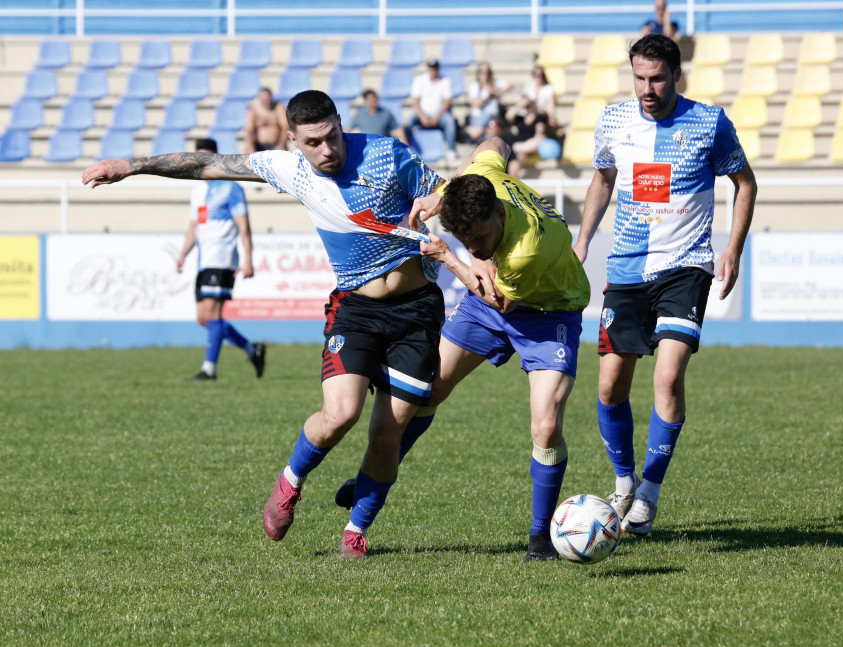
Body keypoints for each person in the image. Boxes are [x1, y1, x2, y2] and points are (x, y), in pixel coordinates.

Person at [82, 90, 445, 560]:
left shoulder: (386, 155)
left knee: (387, 433)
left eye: (333, 136)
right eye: (313, 142)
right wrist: (132, 165)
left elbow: (444, 193)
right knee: (339, 415)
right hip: (357, 309)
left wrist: (451, 220)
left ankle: (356, 531)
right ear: (293, 140)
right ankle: (290, 482)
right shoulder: (288, 169)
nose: (327, 150)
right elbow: (206, 165)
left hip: (417, 311)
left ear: (340, 122)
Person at [336, 136, 592, 561]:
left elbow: (500, 299)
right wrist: (441, 194)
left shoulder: (524, 251)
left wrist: (450, 255)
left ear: (498, 212)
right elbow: (494, 140)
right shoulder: (484, 179)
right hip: (485, 305)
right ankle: (373, 479)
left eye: (478, 239)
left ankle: (539, 539)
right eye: (463, 238)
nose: (475, 248)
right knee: (425, 391)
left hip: (548, 313)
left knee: (546, 426)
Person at [572, 34, 757, 535]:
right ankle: (624, 481)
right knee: (610, 386)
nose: (647, 88)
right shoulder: (614, 120)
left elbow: (745, 183)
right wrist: (583, 238)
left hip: (685, 266)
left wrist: (733, 248)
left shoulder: (709, 122)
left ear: (677, 75)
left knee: (668, 378)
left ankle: (649, 494)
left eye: (656, 78)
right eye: (639, 78)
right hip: (626, 269)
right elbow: (603, 179)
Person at [175, 137, 266, 382]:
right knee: (204, 318)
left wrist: (248, 259)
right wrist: (183, 254)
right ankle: (251, 349)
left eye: (207, 158)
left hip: (223, 258)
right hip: (203, 262)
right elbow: (194, 226)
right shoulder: (197, 191)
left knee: (213, 315)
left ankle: (209, 369)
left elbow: (244, 226)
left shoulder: (230, 188)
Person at [504, 66, 557, 177]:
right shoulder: (521, 118)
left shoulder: (539, 118)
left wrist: (520, 146)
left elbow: (539, 136)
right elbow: (508, 116)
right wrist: (521, 103)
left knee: (523, 147)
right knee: (519, 156)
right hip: (523, 150)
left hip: (531, 147)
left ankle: (515, 148)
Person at [407, 58, 458, 161]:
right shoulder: (420, 80)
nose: (433, 70)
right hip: (422, 114)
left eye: (435, 68)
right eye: (431, 68)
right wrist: (423, 116)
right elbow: (415, 102)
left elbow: (447, 102)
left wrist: (436, 117)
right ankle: (407, 148)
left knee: (450, 121)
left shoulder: (445, 81)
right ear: (428, 68)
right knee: (408, 123)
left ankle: (451, 149)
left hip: (439, 114)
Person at [464, 62, 511, 143]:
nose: (485, 75)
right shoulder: (475, 86)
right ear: (478, 74)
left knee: (492, 125)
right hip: (479, 117)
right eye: (482, 72)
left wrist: (498, 93)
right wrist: (487, 96)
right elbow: (475, 104)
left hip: (493, 118)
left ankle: (476, 137)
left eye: (487, 72)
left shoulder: (494, 84)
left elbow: (511, 85)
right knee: (491, 126)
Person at [244, 87, 288, 152]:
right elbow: (249, 130)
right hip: (258, 146)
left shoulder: (278, 108)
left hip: (276, 145)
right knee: (247, 151)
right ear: (259, 98)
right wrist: (251, 147)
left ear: (271, 97)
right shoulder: (253, 110)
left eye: (268, 97)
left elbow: (285, 127)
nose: (266, 99)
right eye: (263, 97)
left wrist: (281, 144)